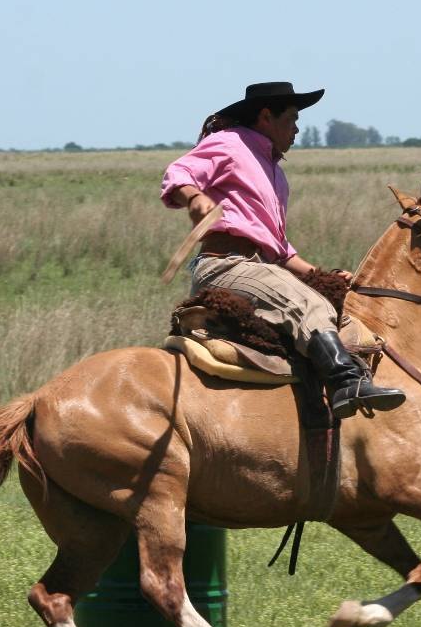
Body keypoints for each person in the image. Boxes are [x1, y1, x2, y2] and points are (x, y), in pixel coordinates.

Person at [160, 81, 406, 419]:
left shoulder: (276, 172)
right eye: (291, 118)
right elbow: (180, 171)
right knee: (309, 304)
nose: (297, 128)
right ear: (265, 116)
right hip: (225, 267)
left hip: (263, 268)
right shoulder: (229, 143)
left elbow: (279, 248)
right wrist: (195, 197)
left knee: (328, 297)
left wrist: (321, 275)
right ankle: (346, 382)